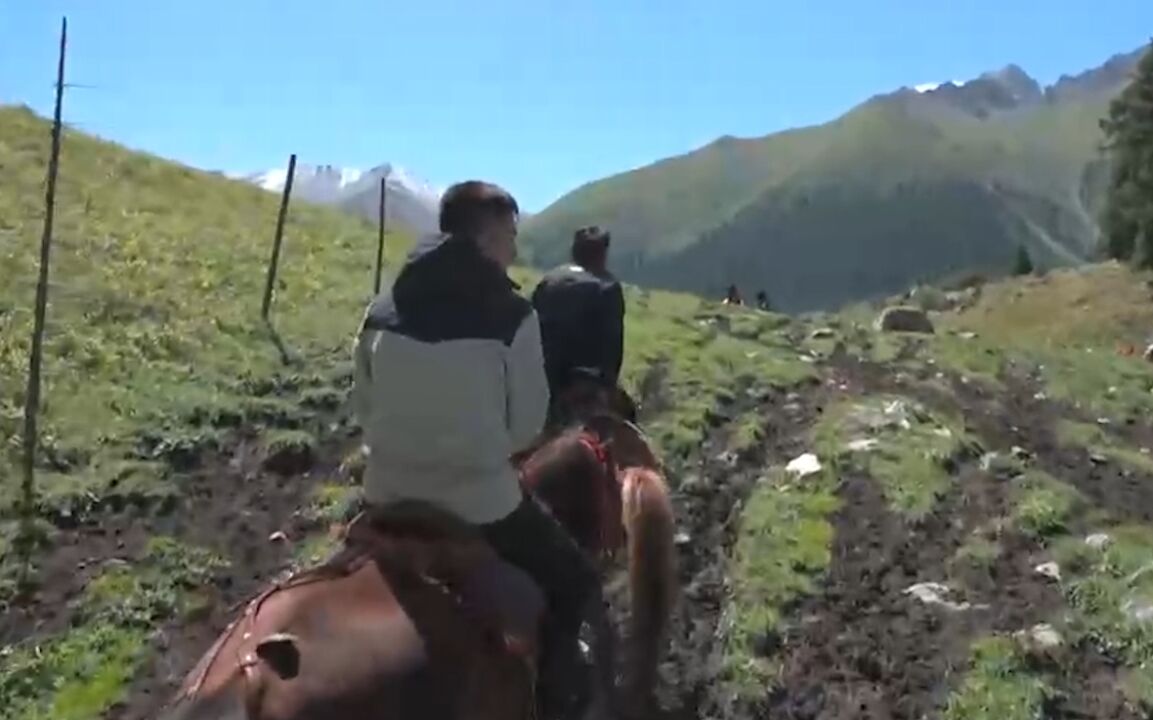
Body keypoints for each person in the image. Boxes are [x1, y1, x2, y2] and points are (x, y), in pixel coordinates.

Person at [350, 180, 601, 720]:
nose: (514, 249)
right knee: (574, 579)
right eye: (509, 235)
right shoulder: (513, 316)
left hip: (386, 495)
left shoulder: (380, 309)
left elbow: (363, 409)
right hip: (482, 506)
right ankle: (557, 694)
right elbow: (526, 429)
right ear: (484, 239)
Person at [530, 225, 631, 425]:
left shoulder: (548, 281)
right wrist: (608, 383)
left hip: (540, 378)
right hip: (584, 385)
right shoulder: (607, 287)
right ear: (603, 253)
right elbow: (612, 346)